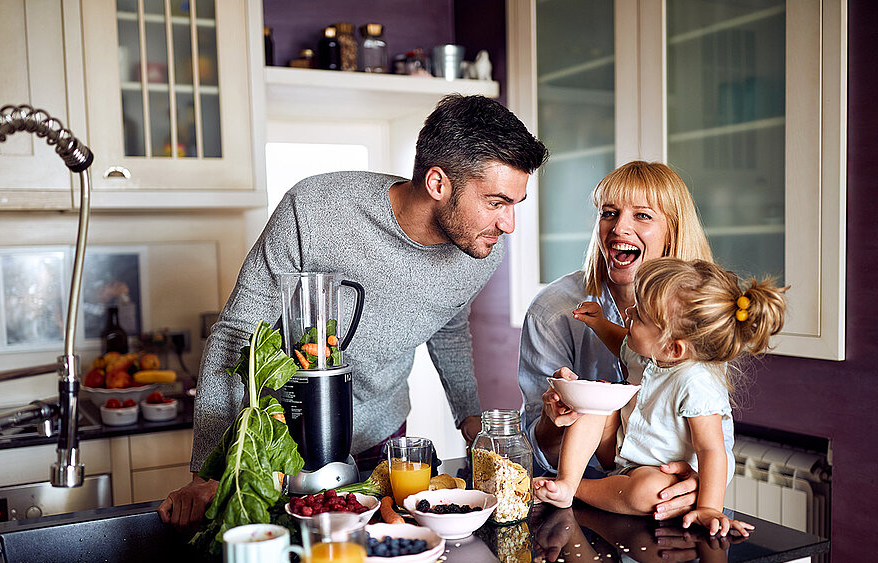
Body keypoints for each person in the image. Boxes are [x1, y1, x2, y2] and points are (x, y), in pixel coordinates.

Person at [159, 94, 549, 529]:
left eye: (515, 204)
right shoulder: (314, 210)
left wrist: (472, 420)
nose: (509, 224)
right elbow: (237, 333)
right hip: (281, 443)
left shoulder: (482, 249)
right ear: (437, 183)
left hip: (383, 441)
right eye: (496, 202)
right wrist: (207, 473)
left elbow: (448, 326)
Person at [533, 258, 787, 537]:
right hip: (621, 452)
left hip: (659, 472)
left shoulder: (696, 381)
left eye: (639, 316)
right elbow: (623, 342)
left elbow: (711, 449)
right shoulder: (650, 351)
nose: (629, 312)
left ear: (674, 348)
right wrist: (598, 323)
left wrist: (710, 508)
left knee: (651, 493)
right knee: (595, 397)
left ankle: (576, 490)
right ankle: (566, 482)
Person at [517, 160, 713, 520]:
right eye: (609, 213)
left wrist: (700, 486)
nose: (619, 227)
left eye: (642, 215)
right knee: (598, 399)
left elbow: (714, 430)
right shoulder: (553, 311)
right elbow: (534, 450)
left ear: (672, 232)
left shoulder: (697, 314)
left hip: (661, 495)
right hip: (572, 507)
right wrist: (553, 418)